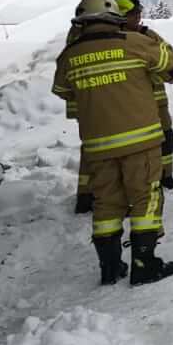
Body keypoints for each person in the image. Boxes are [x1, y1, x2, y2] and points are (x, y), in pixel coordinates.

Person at [52, 0, 173, 286]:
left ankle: (110, 268)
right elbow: (172, 67)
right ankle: (144, 264)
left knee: (106, 205)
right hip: (140, 141)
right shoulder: (135, 43)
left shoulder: (69, 55)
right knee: (146, 198)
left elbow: (62, 91)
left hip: (98, 146)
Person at [116, 0, 173, 190]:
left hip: (157, 101)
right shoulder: (114, 41)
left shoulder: (148, 35)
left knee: (166, 136)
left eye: (139, 13)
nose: (138, 17)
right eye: (133, 14)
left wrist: (168, 72)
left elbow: (170, 58)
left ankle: (166, 176)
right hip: (129, 104)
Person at [63, 19, 93, 214]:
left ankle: (85, 195)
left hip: (83, 103)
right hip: (94, 103)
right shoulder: (89, 38)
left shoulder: (76, 35)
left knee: (90, 148)